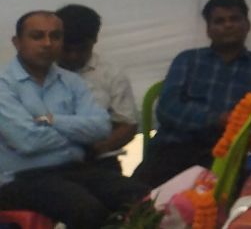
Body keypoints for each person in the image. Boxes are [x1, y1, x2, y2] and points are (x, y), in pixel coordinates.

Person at [138, 0, 251, 185]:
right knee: (136, 198)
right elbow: (167, 108)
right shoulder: (189, 60)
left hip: (225, 155)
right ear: (208, 30)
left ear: (247, 25)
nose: (228, 25)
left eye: (235, 19)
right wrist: (218, 118)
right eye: (219, 21)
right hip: (174, 148)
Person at [0, 12, 146, 229]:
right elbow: (27, 141)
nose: (47, 43)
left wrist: (52, 121)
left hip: (75, 170)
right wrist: (78, 136)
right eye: (37, 36)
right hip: (20, 179)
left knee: (142, 197)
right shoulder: (4, 84)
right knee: (86, 210)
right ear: (17, 42)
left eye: (55, 36)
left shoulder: (72, 82)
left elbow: (101, 128)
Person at [54, 5, 137, 168]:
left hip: (96, 160)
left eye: (82, 49)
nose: (73, 56)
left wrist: (97, 148)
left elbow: (128, 125)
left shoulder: (111, 73)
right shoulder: (36, 70)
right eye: (66, 49)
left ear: (95, 39)